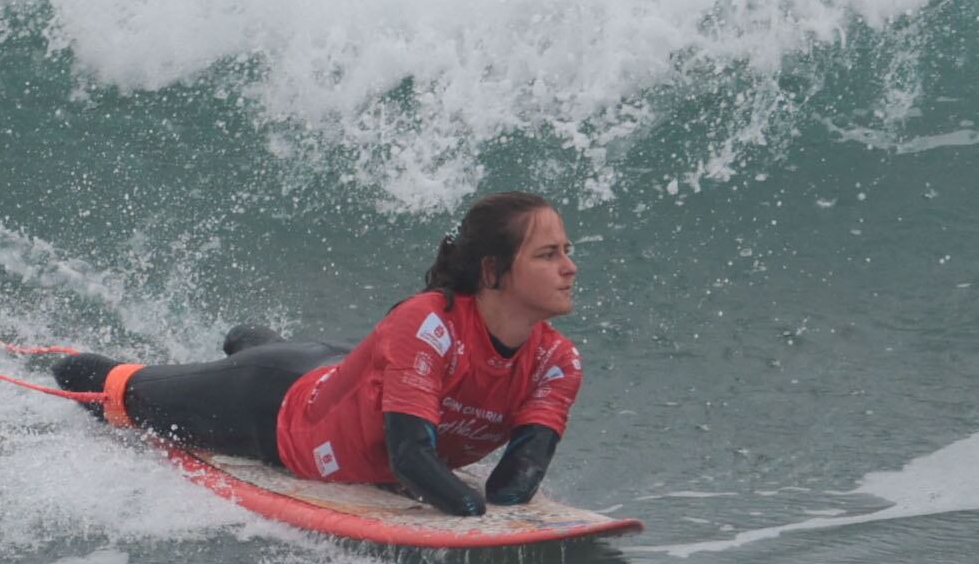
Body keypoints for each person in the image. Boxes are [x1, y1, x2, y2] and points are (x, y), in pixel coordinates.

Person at [48, 192, 583, 518]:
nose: (569, 267)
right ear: (491, 272)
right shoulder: (427, 325)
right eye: (547, 254)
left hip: (341, 375)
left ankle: (257, 341)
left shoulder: (556, 362)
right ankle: (21, 361)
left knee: (308, 361)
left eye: (567, 251)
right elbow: (410, 459)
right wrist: (468, 510)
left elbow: (514, 484)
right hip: (274, 406)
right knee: (101, 386)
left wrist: (494, 508)